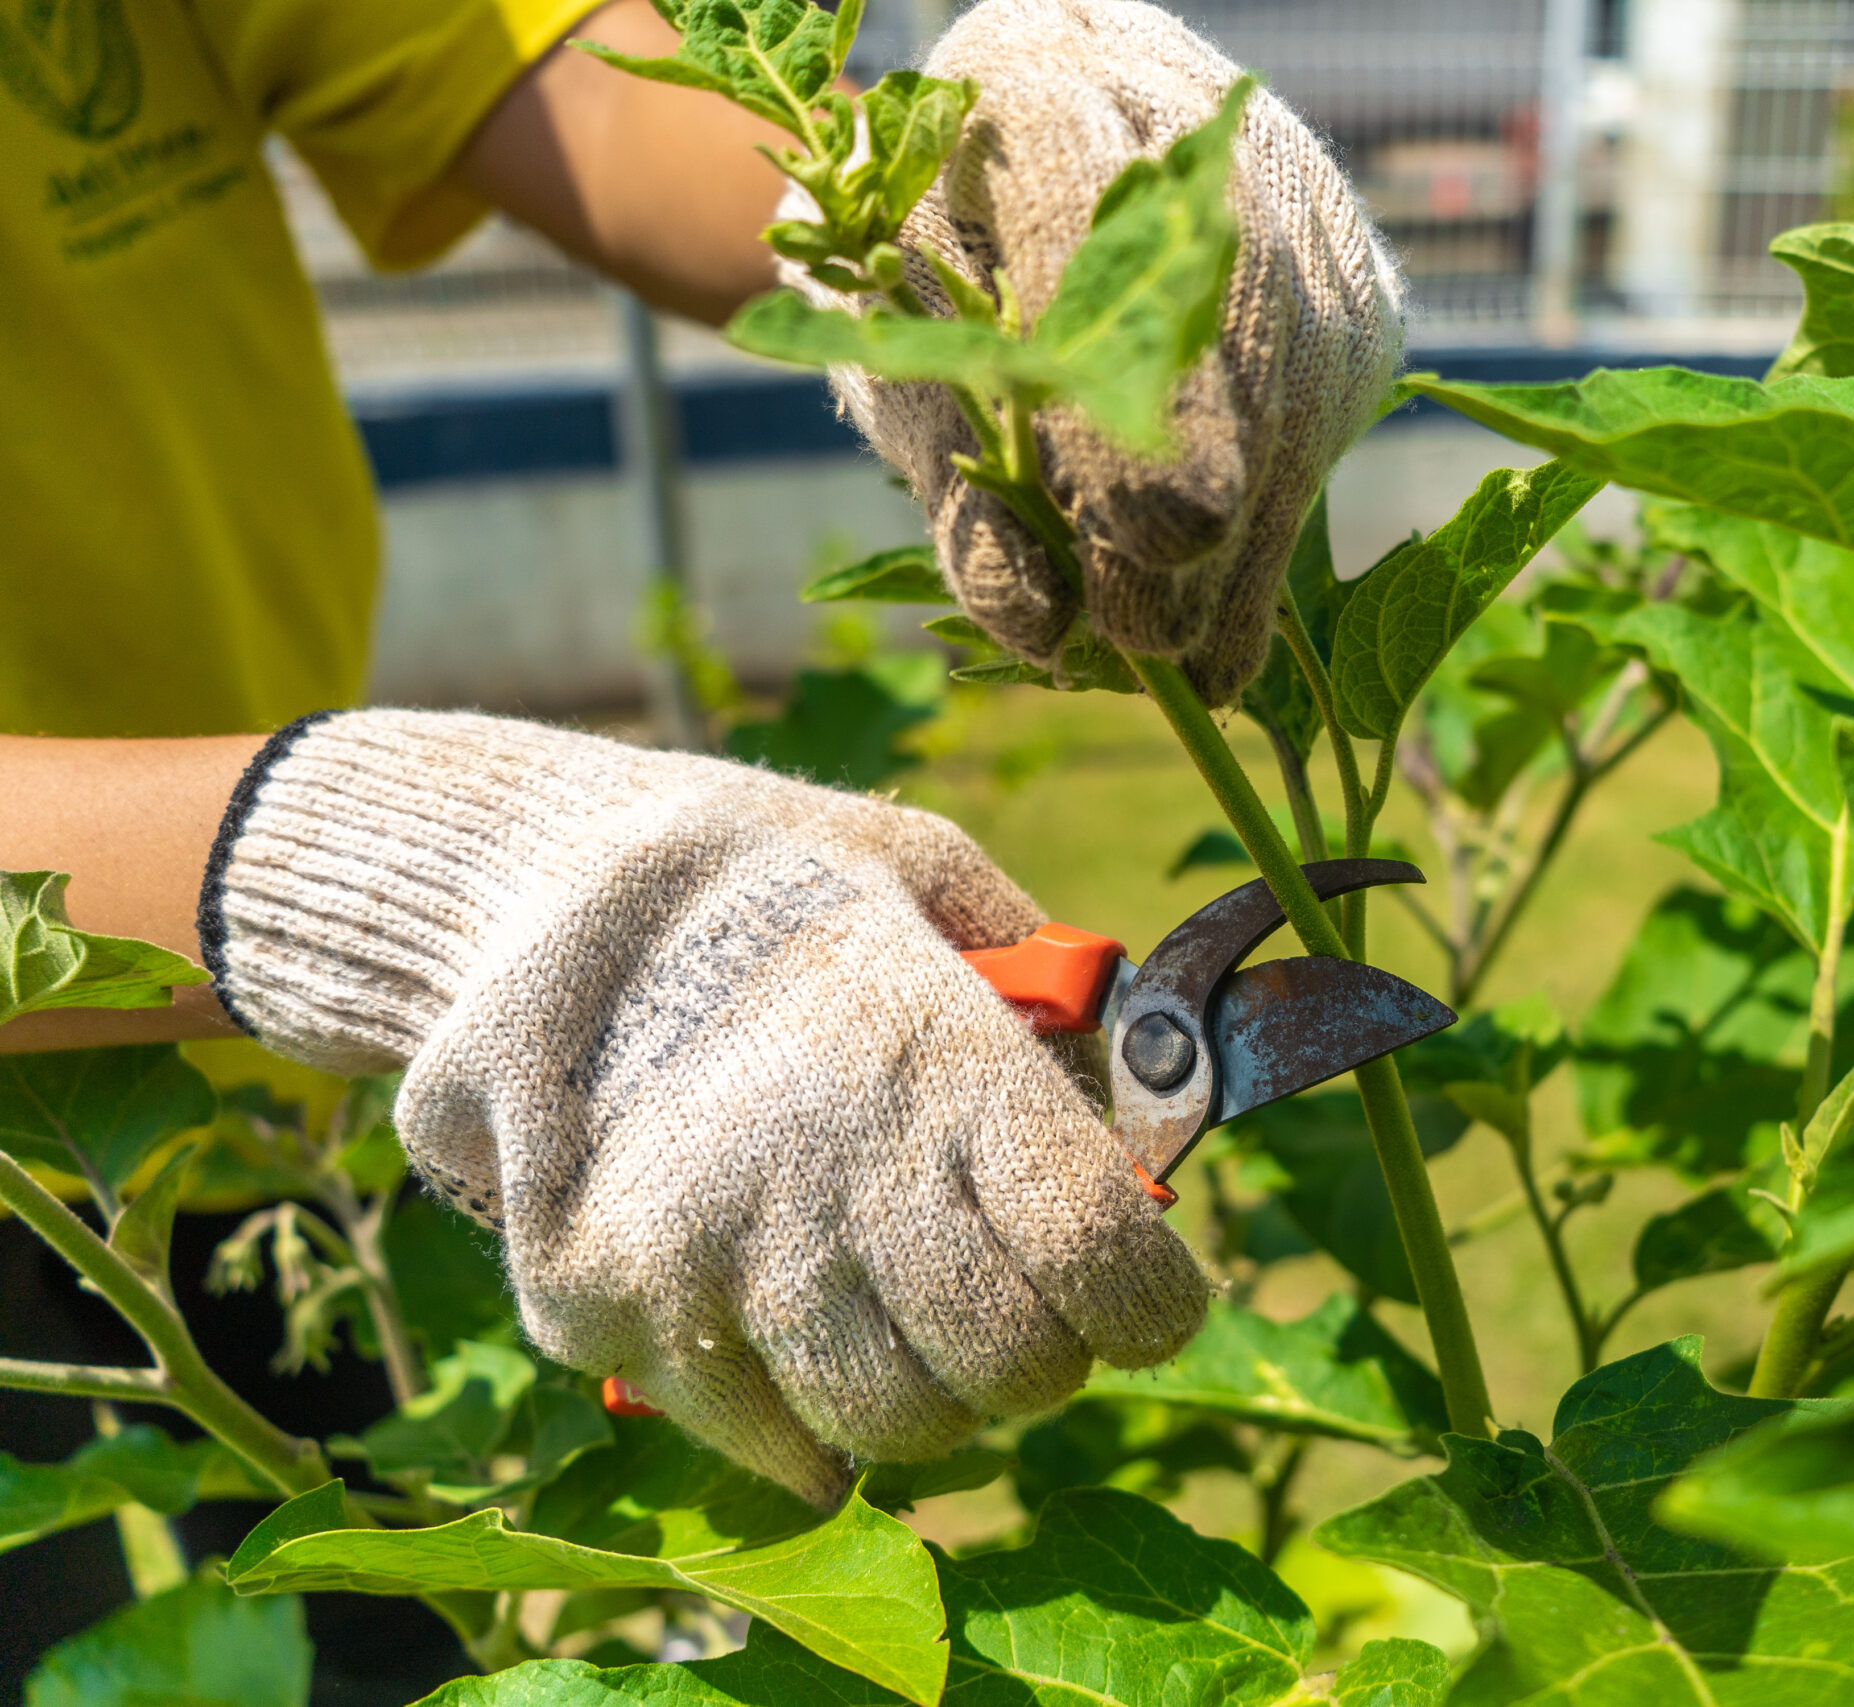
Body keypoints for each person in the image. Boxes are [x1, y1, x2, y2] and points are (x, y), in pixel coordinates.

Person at [2, 0, 1402, 1504]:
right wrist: (371, 872)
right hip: (213, 995)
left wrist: (943, 198)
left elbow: (579, 97)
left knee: (373, 1625)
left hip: (273, 1075)